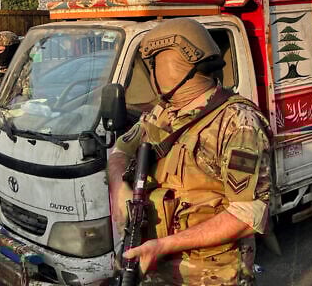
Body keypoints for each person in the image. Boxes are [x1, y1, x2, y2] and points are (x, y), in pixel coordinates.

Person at [108, 18, 272, 285]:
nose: (151, 72)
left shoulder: (238, 123)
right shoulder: (163, 113)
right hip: (155, 267)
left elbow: (247, 215)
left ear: (173, 66)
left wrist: (163, 246)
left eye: (154, 63)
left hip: (210, 275)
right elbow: (120, 149)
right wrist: (118, 187)